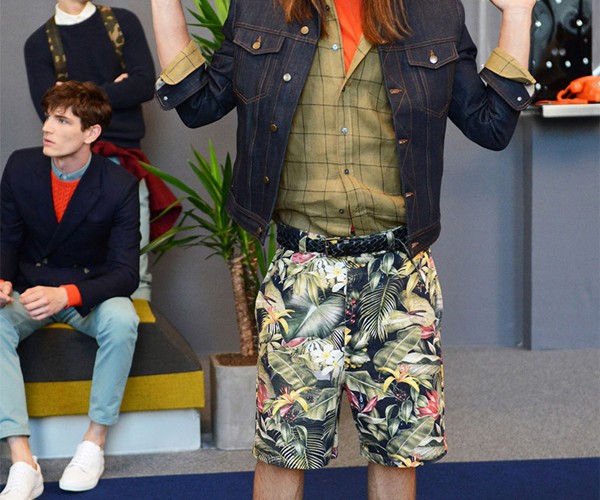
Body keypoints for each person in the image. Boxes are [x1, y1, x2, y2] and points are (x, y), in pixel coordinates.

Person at [151, 0, 536, 498]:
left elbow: (491, 124)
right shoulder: (262, 9)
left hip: (398, 274)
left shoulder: (433, 11)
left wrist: (519, 14)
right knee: (284, 448)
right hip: (301, 273)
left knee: (396, 451)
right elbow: (196, 102)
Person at [0, 81, 140, 499]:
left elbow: (126, 274)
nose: (47, 127)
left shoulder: (119, 185)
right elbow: (6, 237)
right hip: (29, 289)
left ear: (91, 133)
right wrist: (1, 278)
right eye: (48, 117)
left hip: (86, 292)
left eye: (62, 120)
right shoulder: (20, 166)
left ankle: (93, 444)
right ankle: (22, 461)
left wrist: (67, 294)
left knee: (123, 318)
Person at [24, 0, 178, 301]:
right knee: (73, 254)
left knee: (134, 263)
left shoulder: (122, 22)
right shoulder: (39, 43)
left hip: (124, 158)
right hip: (70, 164)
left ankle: (135, 314)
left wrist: (73, 93)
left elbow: (144, 85)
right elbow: (48, 108)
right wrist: (113, 89)